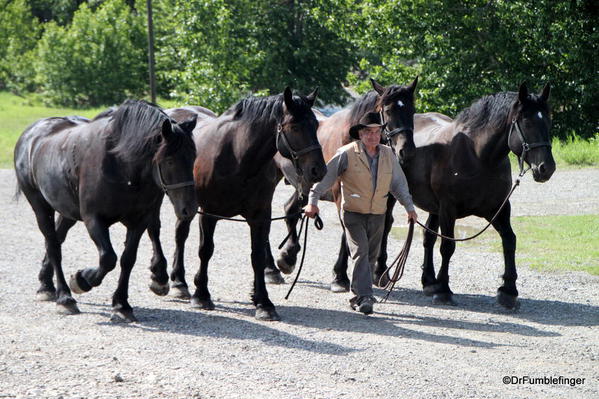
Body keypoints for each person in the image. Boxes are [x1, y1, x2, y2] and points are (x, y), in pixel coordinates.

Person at [304, 112, 418, 315]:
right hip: (353, 213)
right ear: (360, 134)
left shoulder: (388, 154)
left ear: (381, 133)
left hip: (378, 214)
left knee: (371, 256)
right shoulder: (346, 153)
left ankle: (357, 295)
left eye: (376, 132)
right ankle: (366, 296)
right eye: (368, 132)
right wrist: (312, 201)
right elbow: (326, 179)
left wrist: (409, 207)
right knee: (361, 252)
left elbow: (399, 184)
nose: (373, 136)